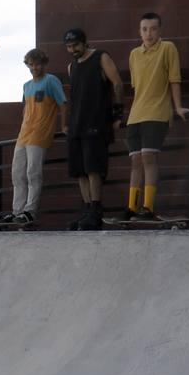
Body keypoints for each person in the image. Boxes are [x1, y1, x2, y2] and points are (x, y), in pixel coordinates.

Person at [125, 12, 189, 220]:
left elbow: (174, 79)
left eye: (153, 29)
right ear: (139, 31)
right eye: (144, 29)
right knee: (136, 160)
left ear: (160, 30)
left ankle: (148, 207)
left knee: (148, 157)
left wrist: (178, 106)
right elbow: (137, 87)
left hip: (157, 113)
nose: (149, 33)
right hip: (135, 115)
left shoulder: (168, 48)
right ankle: (131, 208)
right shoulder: (134, 54)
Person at [63, 28, 124, 230]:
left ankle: (96, 211)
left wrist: (118, 113)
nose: (73, 50)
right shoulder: (72, 67)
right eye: (69, 47)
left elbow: (117, 84)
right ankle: (87, 210)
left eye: (76, 46)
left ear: (84, 42)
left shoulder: (101, 57)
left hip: (96, 123)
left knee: (93, 169)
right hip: (76, 125)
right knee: (79, 171)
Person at [0, 48, 67, 225]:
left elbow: (63, 103)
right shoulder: (26, 85)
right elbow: (25, 108)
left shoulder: (51, 80)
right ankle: (17, 211)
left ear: (44, 63)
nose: (34, 67)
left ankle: (30, 211)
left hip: (40, 132)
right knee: (17, 172)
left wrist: (64, 125)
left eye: (37, 64)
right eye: (31, 64)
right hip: (24, 133)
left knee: (33, 172)